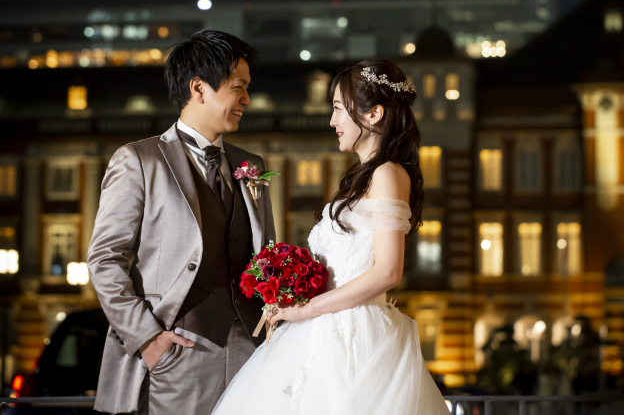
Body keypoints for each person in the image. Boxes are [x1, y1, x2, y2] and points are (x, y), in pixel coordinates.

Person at [212, 59, 450, 415]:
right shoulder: (362, 179)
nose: (332, 121)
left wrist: (307, 309)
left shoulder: (387, 174)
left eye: (338, 108)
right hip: (324, 327)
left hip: (355, 333)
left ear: (373, 114)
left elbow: (388, 272)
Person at [87, 30, 277, 415]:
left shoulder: (251, 166)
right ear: (199, 88)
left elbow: (265, 256)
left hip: (251, 352)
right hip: (176, 352)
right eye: (238, 87)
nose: (247, 99)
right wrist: (148, 339)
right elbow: (104, 259)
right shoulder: (139, 160)